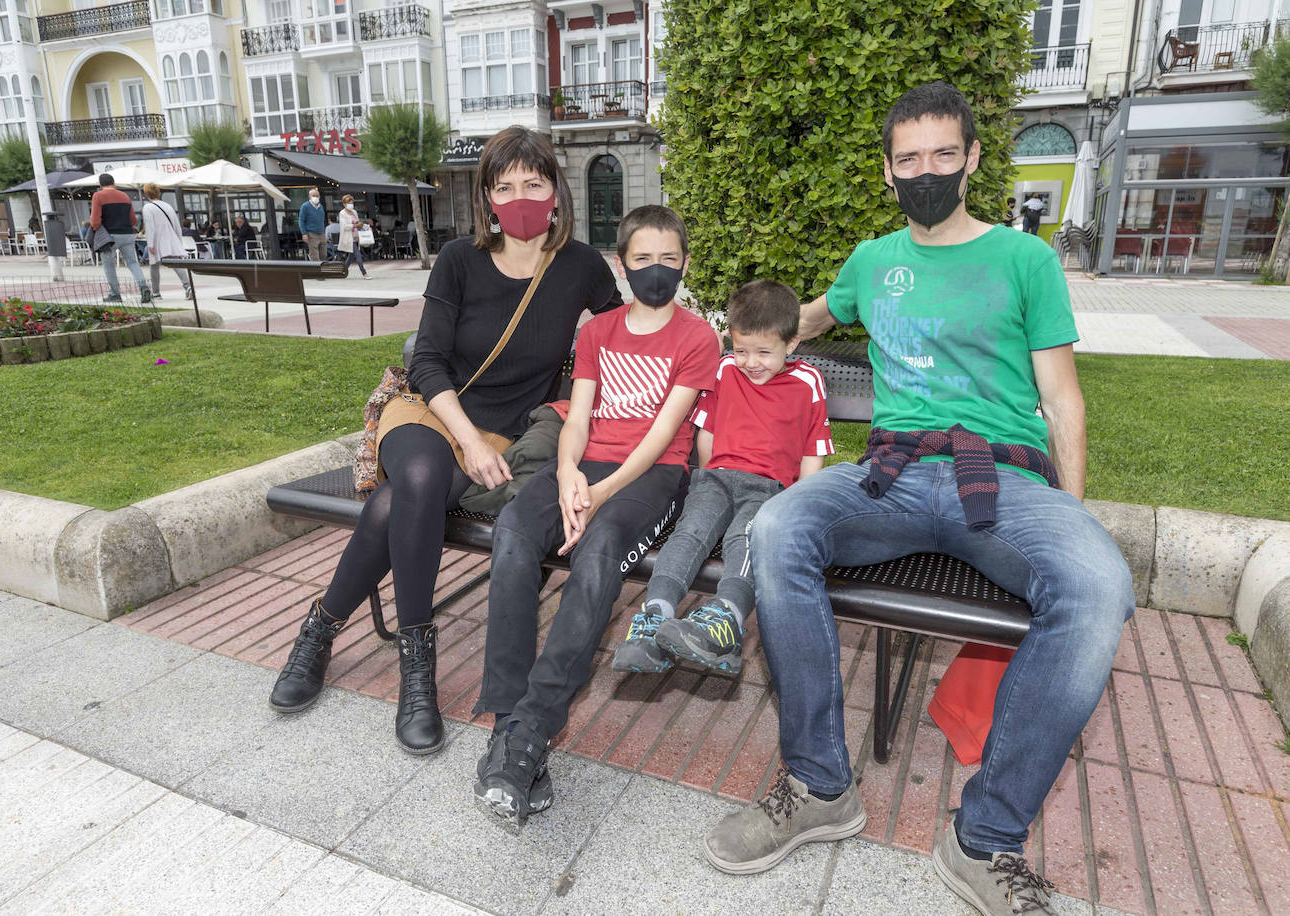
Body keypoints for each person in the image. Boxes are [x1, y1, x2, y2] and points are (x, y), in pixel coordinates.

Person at [701, 82, 1133, 916]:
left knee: (1098, 586)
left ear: (972, 158)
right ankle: (820, 784)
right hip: (891, 476)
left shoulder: (1025, 261)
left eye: (944, 154)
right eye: (909, 159)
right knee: (783, 526)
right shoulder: (874, 260)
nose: (926, 171)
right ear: (888, 171)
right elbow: (813, 319)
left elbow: (1064, 400)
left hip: (1002, 479)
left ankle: (986, 838)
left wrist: (1070, 511)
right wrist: (737, 339)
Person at [267, 126, 622, 757]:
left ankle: (319, 630)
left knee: (395, 503)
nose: (519, 198)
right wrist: (471, 443)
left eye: (532, 184)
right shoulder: (459, 258)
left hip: (502, 431)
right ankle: (417, 668)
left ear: (555, 191)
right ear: (487, 197)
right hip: (431, 414)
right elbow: (427, 358)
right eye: (504, 186)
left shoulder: (580, 267)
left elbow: (626, 332)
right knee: (424, 479)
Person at [472, 204, 720, 828]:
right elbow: (577, 417)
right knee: (514, 533)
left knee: (599, 548)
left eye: (669, 259)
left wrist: (598, 495)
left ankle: (533, 724)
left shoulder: (697, 338)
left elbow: (664, 436)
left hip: (650, 477)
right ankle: (513, 726)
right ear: (622, 263)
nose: (656, 270)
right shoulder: (598, 331)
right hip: (582, 466)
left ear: (684, 264)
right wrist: (565, 477)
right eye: (643, 259)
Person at [612, 279, 834, 676]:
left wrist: (797, 501)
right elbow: (708, 431)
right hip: (716, 478)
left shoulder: (807, 382)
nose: (751, 361)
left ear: (793, 343)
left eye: (765, 352)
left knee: (744, 539)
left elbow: (812, 449)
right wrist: (709, 473)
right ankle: (654, 618)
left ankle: (726, 621)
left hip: (769, 489)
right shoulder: (725, 369)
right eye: (742, 349)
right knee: (689, 533)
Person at [90, 173, 150, 304]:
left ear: (100, 184)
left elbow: (95, 221)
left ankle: (115, 293)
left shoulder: (98, 196)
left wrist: (95, 230)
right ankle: (143, 287)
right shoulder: (124, 196)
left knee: (109, 264)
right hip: (128, 234)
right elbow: (133, 220)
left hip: (109, 236)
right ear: (114, 182)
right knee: (133, 262)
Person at [141, 182, 192, 300]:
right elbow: (176, 226)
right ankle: (188, 287)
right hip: (171, 238)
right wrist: (178, 241)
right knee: (175, 263)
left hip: (157, 239)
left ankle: (156, 293)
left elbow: (150, 227)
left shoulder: (148, 207)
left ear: (146, 194)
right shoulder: (167, 206)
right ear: (158, 192)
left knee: (154, 266)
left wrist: (150, 244)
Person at [337, 195, 371, 278]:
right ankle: (364, 273)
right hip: (349, 238)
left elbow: (357, 221)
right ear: (344, 204)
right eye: (349, 203)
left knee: (351, 257)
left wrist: (360, 224)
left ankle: (342, 271)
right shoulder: (342, 213)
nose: (351, 205)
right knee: (358, 254)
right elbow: (344, 226)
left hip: (356, 236)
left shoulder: (354, 212)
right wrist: (355, 225)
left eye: (352, 203)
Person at [299, 188, 326, 261]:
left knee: (324, 254)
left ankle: (322, 269)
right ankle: (316, 271)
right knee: (315, 255)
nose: (316, 197)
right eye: (313, 195)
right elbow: (301, 220)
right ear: (309, 197)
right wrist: (304, 233)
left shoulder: (321, 207)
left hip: (321, 233)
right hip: (311, 233)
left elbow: (322, 219)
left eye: (317, 196)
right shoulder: (305, 206)